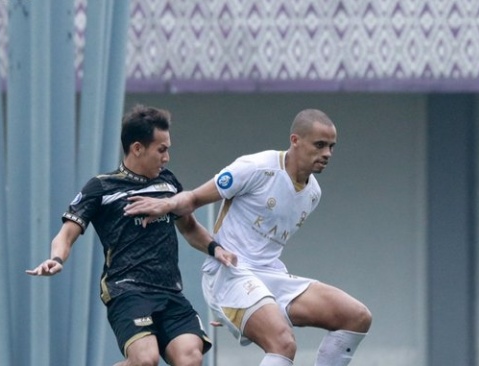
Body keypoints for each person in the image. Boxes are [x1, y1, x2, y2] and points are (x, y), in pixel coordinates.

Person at [124, 109, 372, 366]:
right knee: (283, 343)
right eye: (319, 145)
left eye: (331, 147)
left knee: (356, 316)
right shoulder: (255, 168)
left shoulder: (313, 193)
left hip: (269, 276)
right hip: (228, 273)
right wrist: (165, 205)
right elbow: (194, 198)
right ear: (295, 141)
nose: (327, 154)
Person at [26, 104, 237, 366]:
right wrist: (56, 259)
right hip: (127, 289)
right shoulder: (102, 187)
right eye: (161, 149)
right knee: (145, 360)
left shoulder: (169, 183)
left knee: (190, 358)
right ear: (137, 148)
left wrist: (216, 248)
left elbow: (189, 227)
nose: (166, 157)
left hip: (170, 291)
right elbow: (66, 234)